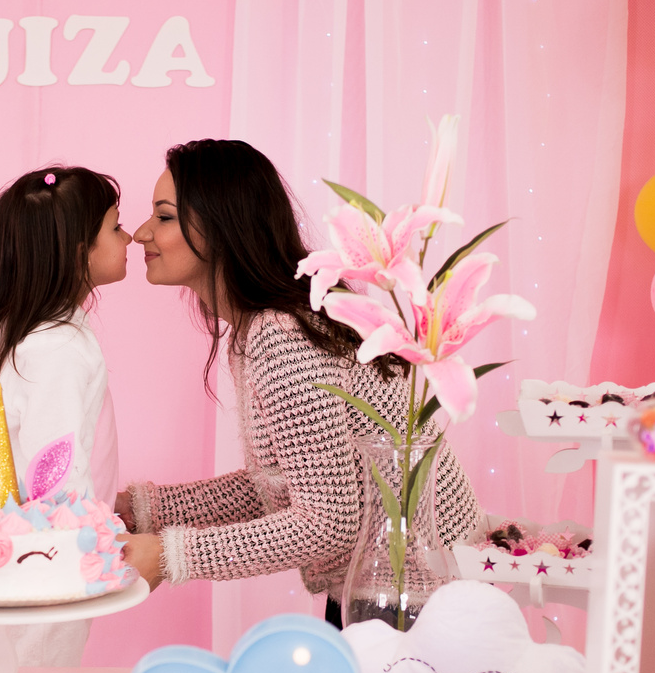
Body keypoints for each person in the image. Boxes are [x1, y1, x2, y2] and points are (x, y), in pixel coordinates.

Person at [116, 139, 483, 628]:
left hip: (415, 596)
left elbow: (326, 522)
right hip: (385, 584)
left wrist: (170, 555)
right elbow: (292, 485)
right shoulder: (266, 327)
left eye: (164, 216)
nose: (141, 233)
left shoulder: (282, 337)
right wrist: (147, 509)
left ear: (221, 228)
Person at [0, 166, 131, 664]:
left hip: (34, 555)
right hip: (49, 562)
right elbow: (56, 469)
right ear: (79, 253)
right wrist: (94, 542)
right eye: (115, 227)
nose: (128, 237)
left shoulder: (39, 335)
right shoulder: (57, 349)